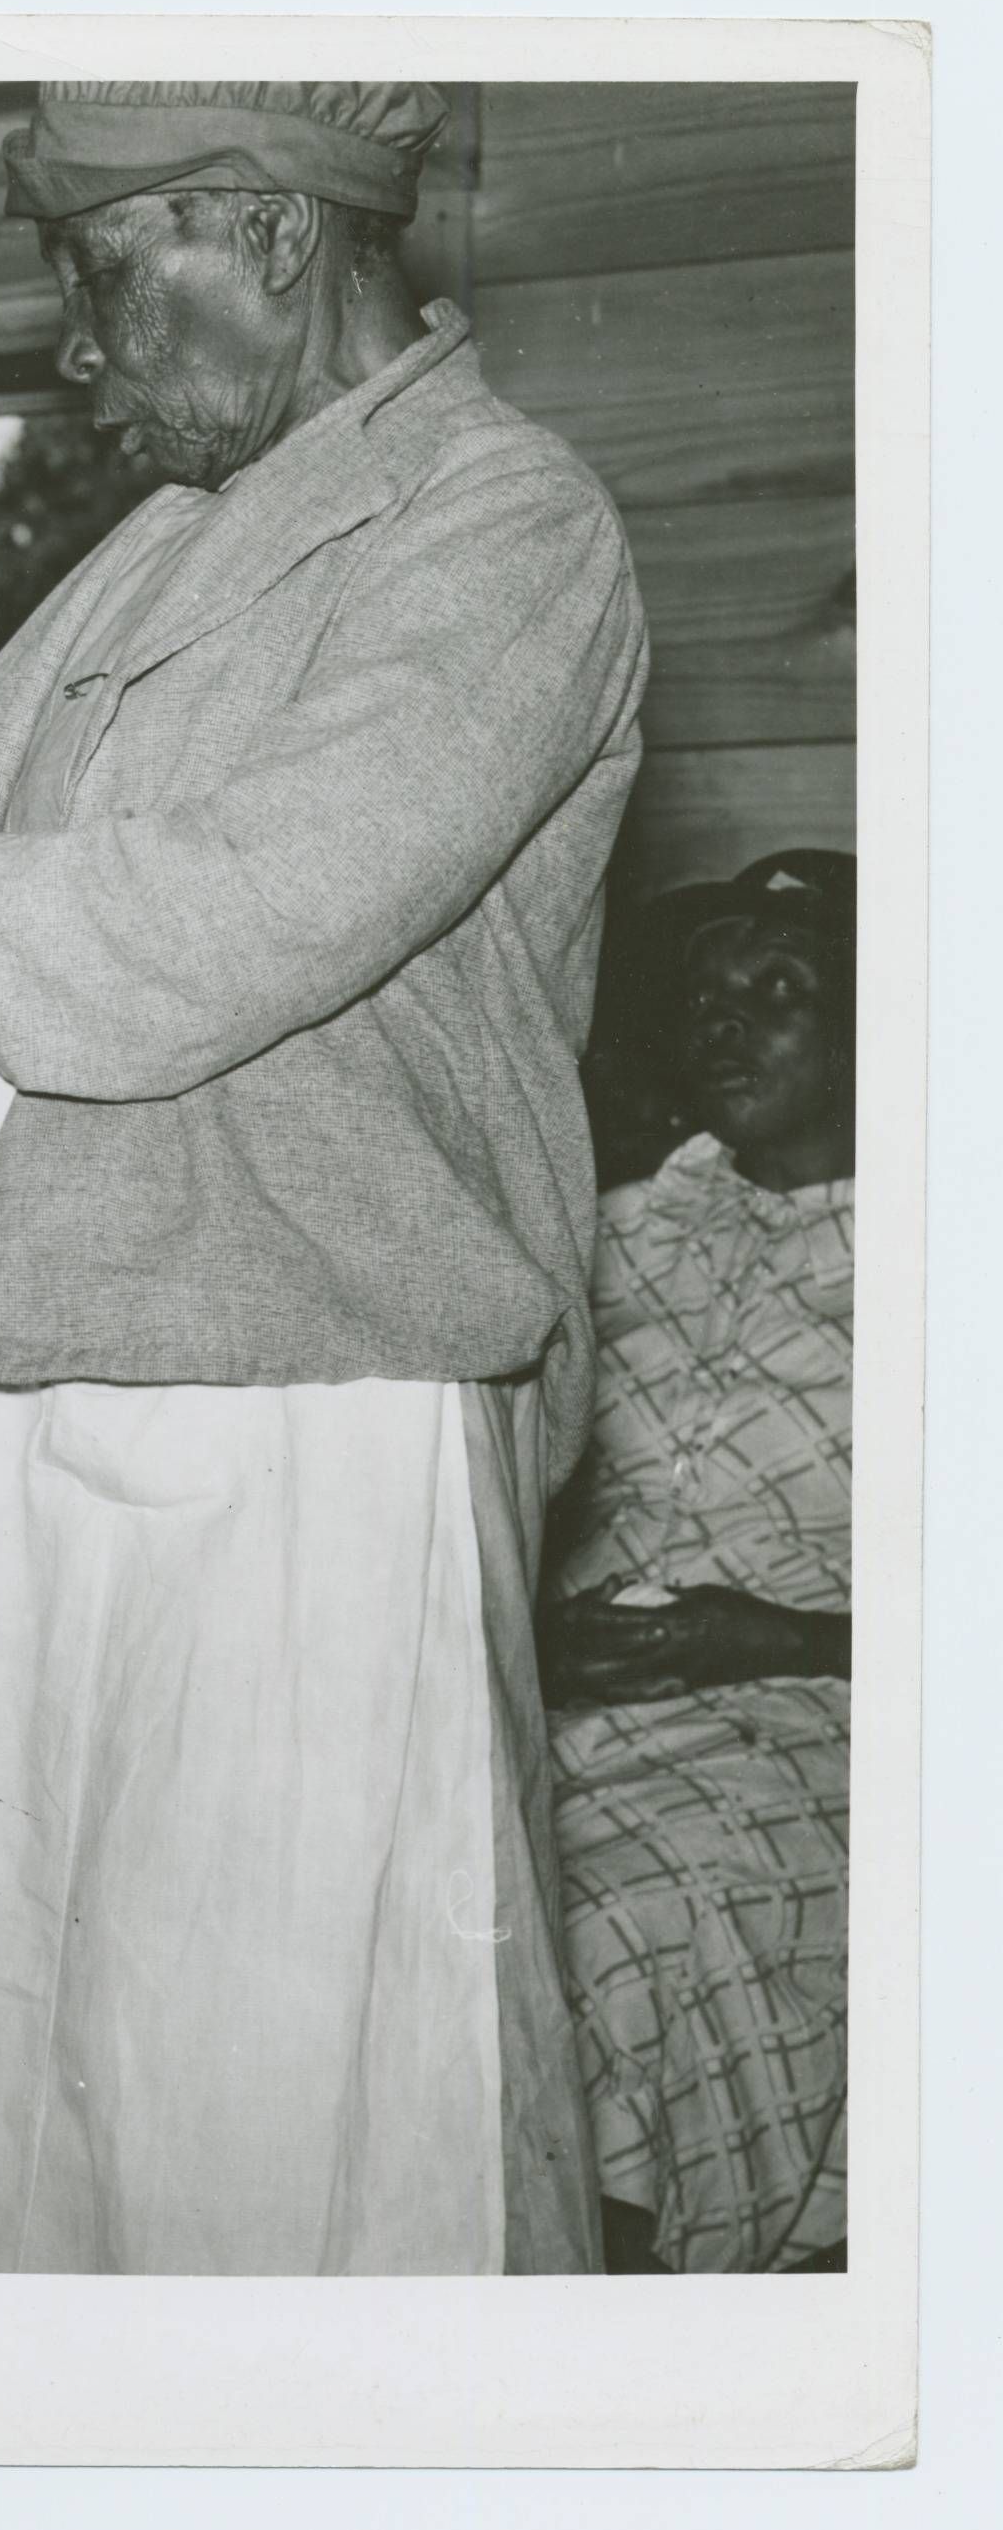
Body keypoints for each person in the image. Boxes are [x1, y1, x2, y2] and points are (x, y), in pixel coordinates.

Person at [0, 81, 650, 2275]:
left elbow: (216, 925)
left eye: (100, 275)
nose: (75, 351)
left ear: (269, 230)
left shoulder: (501, 520)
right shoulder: (125, 568)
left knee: (264, 2092)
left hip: (284, 1390)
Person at [540, 853, 854, 2274]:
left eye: (780, 989)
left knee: (588, 1932)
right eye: (707, 996)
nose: (725, 1023)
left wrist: (781, 1642)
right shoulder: (600, 1241)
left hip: (835, 1728)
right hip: (555, 1708)